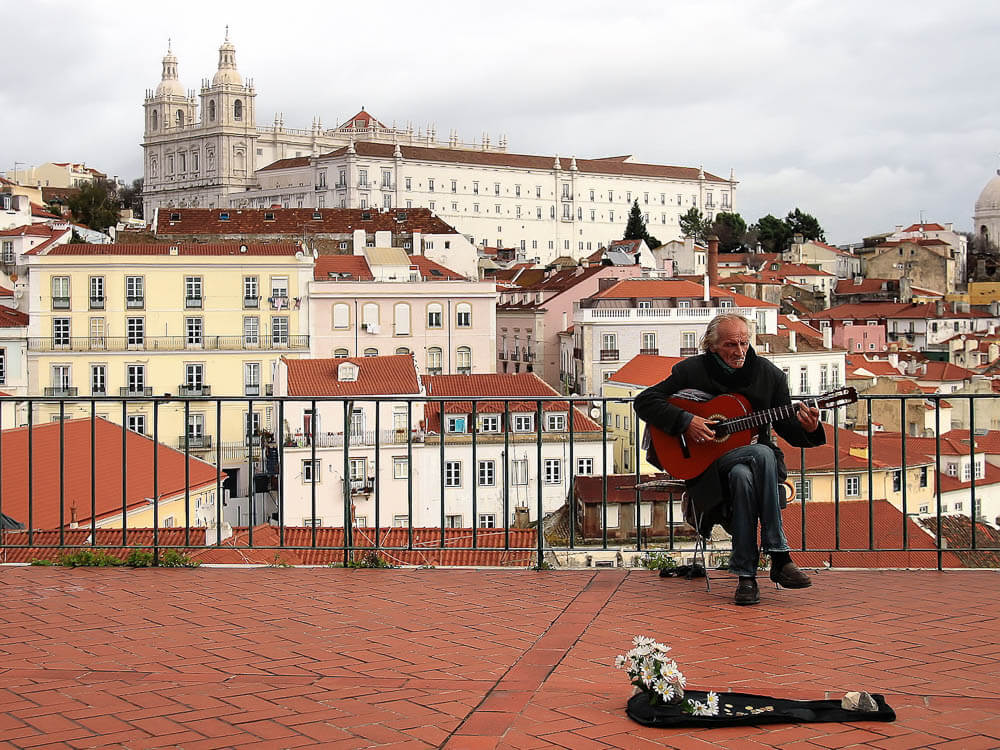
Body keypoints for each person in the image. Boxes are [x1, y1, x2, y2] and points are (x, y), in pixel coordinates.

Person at [634, 314, 825, 606]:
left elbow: (789, 429)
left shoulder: (769, 376)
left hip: (751, 469)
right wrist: (686, 421)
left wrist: (810, 427)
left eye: (744, 343)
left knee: (743, 476)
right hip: (707, 469)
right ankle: (779, 556)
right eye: (730, 345)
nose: (739, 351)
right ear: (711, 346)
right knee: (761, 452)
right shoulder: (691, 371)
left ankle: (746, 579)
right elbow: (645, 401)